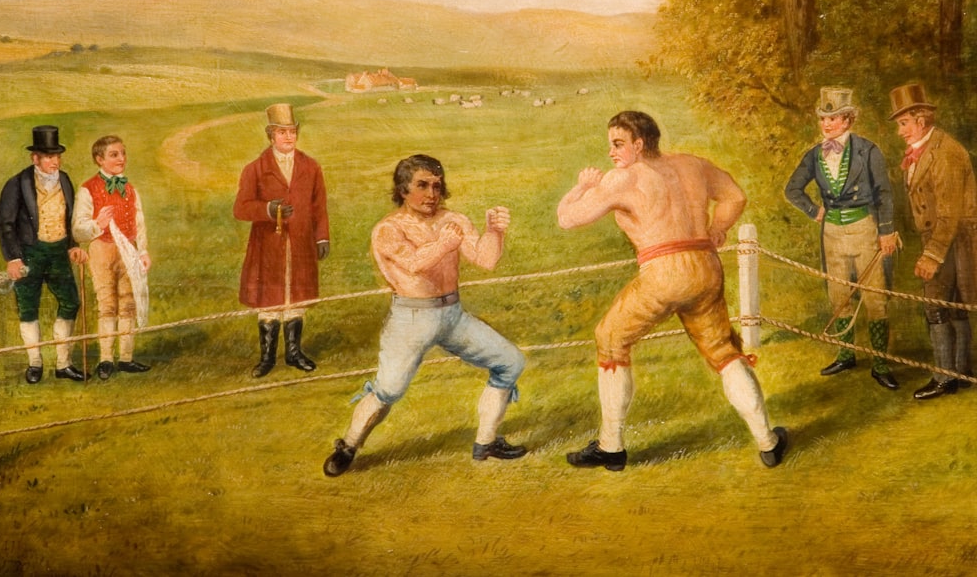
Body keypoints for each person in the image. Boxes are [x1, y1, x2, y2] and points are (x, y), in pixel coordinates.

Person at [557, 111, 786, 470]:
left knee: (610, 338)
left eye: (618, 144)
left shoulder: (623, 179)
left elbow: (567, 218)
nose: (611, 153)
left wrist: (583, 186)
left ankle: (611, 447)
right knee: (724, 352)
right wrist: (718, 228)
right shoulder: (693, 164)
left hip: (664, 271)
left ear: (639, 143)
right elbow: (735, 196)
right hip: (706, 268)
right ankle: (768, 442)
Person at [323, 154, 526, 477]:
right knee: (388, 390)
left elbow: (485, 260)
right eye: (422, 185)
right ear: (403, 189)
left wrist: (494, 232)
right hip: (411, 318)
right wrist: (445, 243)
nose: (432, 194)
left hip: (453, 315)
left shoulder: (454, 219)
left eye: (437, 186)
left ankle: (486, 442)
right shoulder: (388, 229)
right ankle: (348, 446)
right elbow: (416, 264)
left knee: (510, 361)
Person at [784, 87, 900, 390]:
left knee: (875, 298)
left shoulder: (868, 151)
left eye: (833, 118)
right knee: (839, 298)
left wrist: (886, 231)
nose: (826, 124)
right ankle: (846, 355)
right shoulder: (813, 155)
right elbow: (792, 189)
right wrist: (814, 210)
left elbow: (884, 194)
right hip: (832, 235)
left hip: (865, 230)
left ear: (848, 120)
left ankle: (879, 363)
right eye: (823, 118)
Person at [888, 83, 976, 400]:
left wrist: (932, 255)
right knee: (951, 306)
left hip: (953, 240)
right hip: (944, 237)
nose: (901, 132)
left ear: (921, 120)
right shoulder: (925, 150)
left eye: (903, 124)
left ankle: (945, 377)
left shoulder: (947, 152)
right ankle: (961, 372)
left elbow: (949, 213)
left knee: (939, 307)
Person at [233, 103, 329, 377]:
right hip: (268, 247)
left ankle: (294, 353)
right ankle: (266, 358)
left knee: (296, 297)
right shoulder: (255, 169)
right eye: (281, 132)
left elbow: (319, 206)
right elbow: (240, 208)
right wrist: (267, 209)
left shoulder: (311, 167)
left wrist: (321, 237)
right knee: (270, 299)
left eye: (292, 132)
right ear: (270, 136)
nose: (288, 137)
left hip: (301, 244)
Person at [0, 125, 90, 383]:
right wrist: (13, 258)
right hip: (29, 253)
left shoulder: (66, 180)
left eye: (57, 156)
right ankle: (35, 363)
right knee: (28, 308)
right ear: (34, 158)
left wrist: (72, 245)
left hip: (59, 252)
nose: (54, 162)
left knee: (71, 302)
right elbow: (5, 224)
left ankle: (63, 363)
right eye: (48, 157)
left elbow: (69, 217)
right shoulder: (17, 183)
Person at [73, 135, 152, 380]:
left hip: (127, 250)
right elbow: (78, 228)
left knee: (128, 302)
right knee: (107, 304)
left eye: (123, 153)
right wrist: (98, 223)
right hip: (102, 249)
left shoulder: (130, 189)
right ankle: (106, 359)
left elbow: (139, 223)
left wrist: (143, 251)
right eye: (114, 155)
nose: (121, 159)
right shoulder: (88, 189)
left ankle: (126, 358)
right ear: (99, 159)